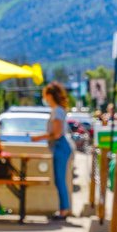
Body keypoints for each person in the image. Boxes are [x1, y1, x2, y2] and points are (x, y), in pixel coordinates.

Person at [30, 81, 75, 220]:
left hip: (60, 147)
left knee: (60, 179)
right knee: (60, 179)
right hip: (60, 147)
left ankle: (64, 209)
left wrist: (39, 137)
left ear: (50, 95)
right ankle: (64, 208)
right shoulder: (58, 110)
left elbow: (56, 133)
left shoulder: (58, 112)